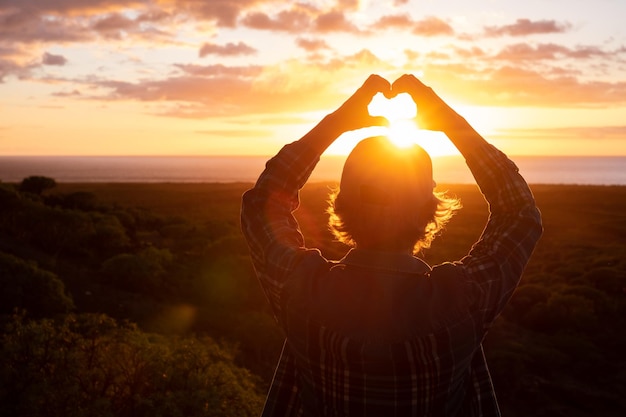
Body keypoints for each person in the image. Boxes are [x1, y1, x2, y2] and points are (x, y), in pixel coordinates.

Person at [241, 74, 543, 416]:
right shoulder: (463, 298)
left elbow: (264, 202)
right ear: (429, 213)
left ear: (340, 207)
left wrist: (336, 124)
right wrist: (453, 125)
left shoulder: (301, 287)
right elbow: (518, 212)